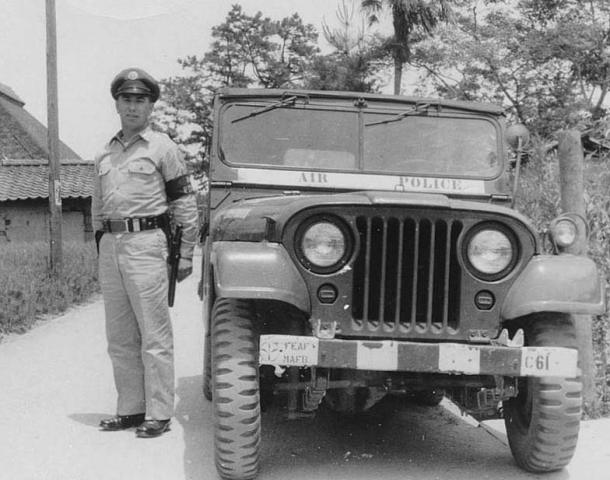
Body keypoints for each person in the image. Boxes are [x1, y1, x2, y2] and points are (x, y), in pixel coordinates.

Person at [92, 67, 198, 438]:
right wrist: (101, 243)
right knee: (119, 336)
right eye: (126, 99)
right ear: (117, 103)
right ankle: (131, 409)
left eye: (140, 100)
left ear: (151, 105)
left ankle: (159, 413)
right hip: (112, 245)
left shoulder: (163, 147)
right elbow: (97, 205)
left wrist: (185, 253)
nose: (132, 106)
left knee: (154, 335)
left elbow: (184, 203)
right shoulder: (105, 153)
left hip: (147, 244)